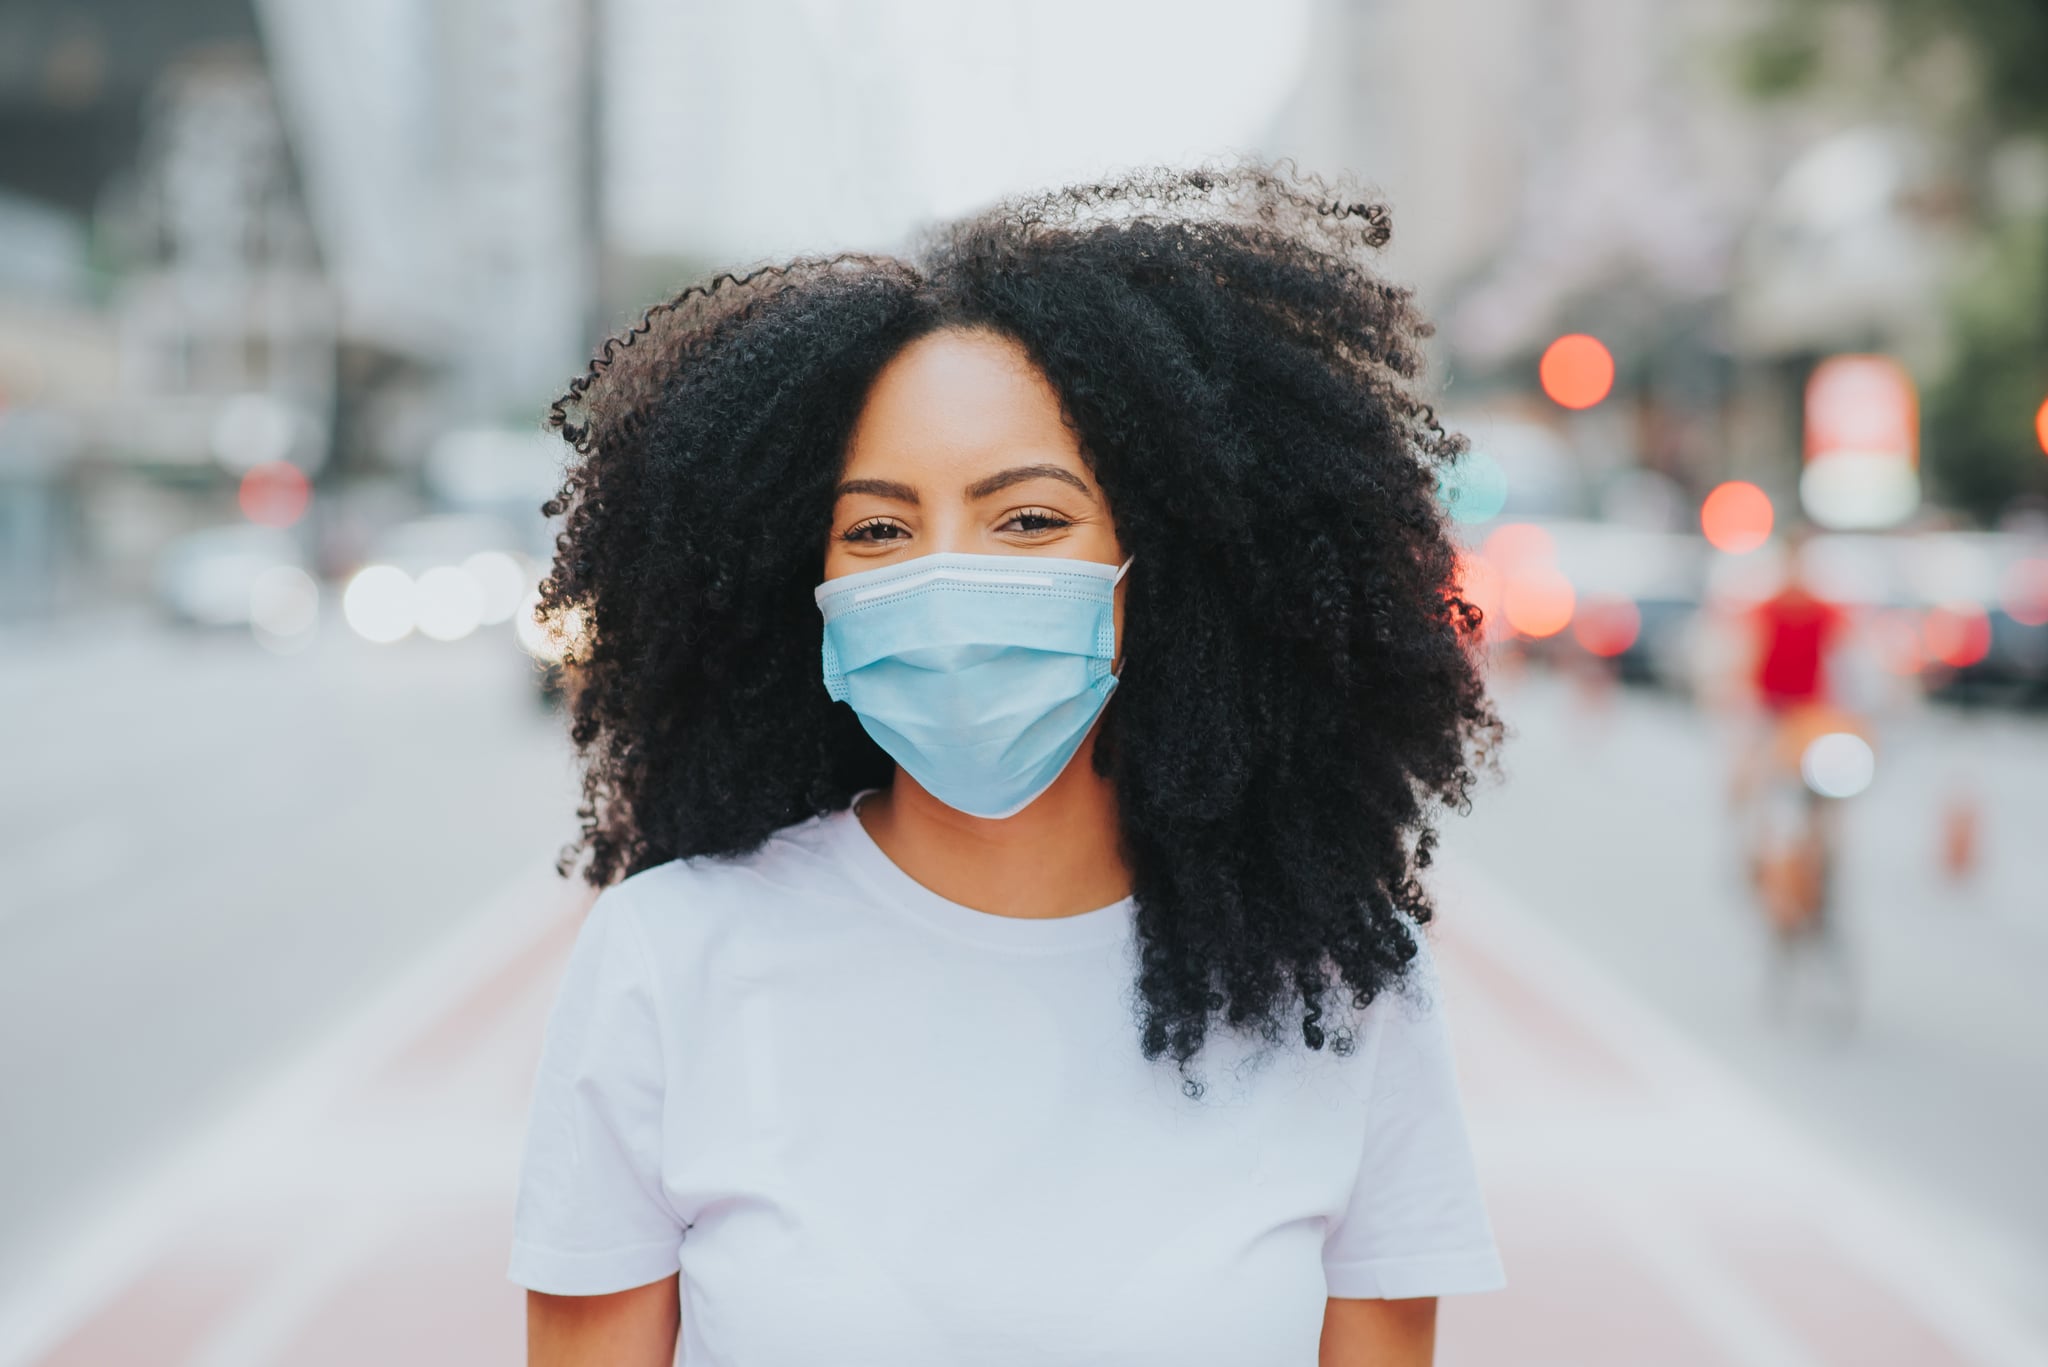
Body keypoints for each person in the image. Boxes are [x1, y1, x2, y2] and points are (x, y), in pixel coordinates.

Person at [509, 164, 1506, 1367]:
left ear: (1173, 563)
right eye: (876, 528)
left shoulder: (1341, 981)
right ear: (799, 583)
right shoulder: (667, 956)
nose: (943, 578)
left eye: (1027, 519)